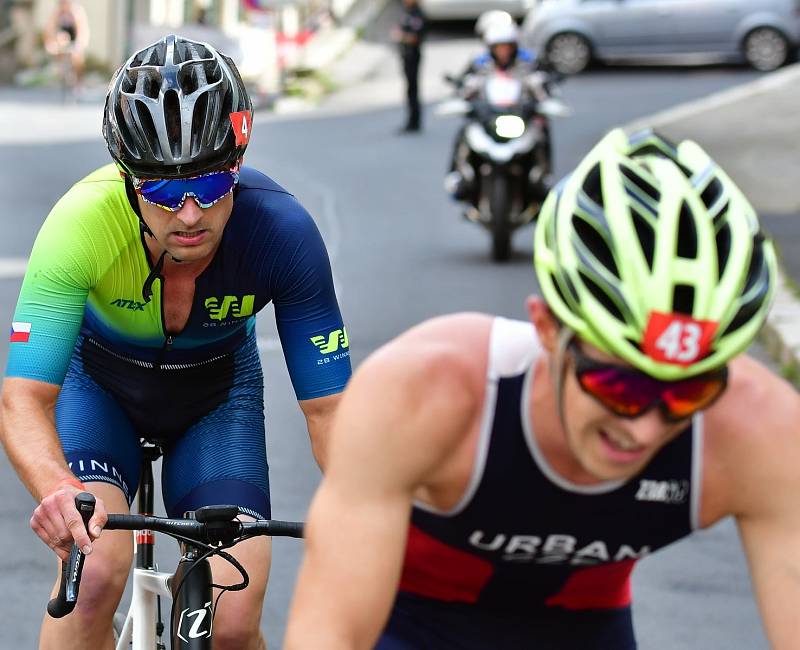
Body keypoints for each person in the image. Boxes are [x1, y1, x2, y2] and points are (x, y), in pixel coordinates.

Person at [284, 128, 800, 649]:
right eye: (618, 384)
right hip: (413, 624)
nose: (645, 427)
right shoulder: (425, 389)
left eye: (689, 394)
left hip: (584, 631)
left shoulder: (762, 430)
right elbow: (330, 632)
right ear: (548, 329)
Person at [0, 34, 350, 650]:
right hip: (100, 388)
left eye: (211, 185)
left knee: (235, 621)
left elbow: (331, 412)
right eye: (162, 190)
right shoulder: (80, 223)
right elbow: (23, 398)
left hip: (215, 397)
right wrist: (57, 490)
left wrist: (372, 504)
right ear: (130, 181)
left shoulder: (283, 233)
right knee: (95, 577)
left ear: (237, 166)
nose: (189, 213)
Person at [445, 21, 553, 201]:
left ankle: (544, 178)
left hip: (518, 115)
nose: (503, 52)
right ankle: (458, 176)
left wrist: (544, 99)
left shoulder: (527, 62)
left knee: (542, 131)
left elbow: (542, 84)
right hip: (490, 115)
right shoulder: (480, 63)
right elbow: (465, 85)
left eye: (507, 47)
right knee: (464, 132)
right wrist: (462, 96)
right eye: (499, 47)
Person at [392, 0, 426, 133]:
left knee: (413, 89)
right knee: (409, 89)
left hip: (413, 55)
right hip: (406, 55)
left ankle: (414, 122)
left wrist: (401, 36)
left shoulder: (418, 14)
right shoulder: (408, 13)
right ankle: (411, 121)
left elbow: (415, 37)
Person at [43, 0, 89, 94]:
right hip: (61, 41)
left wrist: (79, 44)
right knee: (57, 51)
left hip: (74, 40)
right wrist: (51, 44)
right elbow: (49, 31)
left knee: (78, 58)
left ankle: (79, 83)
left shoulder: (77, 12)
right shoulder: (56, 13)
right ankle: (61, 71)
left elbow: (82, 31)